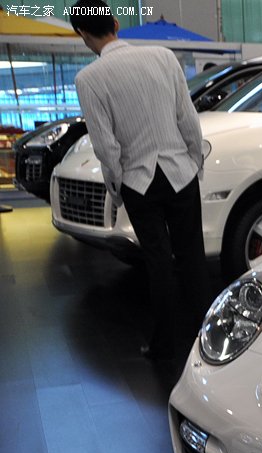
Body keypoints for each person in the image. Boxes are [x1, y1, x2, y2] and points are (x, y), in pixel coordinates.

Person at [70, 0, 210, 362]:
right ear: (116, 23)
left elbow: (105, 145)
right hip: (181, 173)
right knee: (192, 257)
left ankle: (164, 344)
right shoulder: (164, 57)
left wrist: (117, 187)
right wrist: (194, 160)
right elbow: (188, 119)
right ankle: (208, 338)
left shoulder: (88, 79)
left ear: (83, 34)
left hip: (138, 181)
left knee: (158, 262)